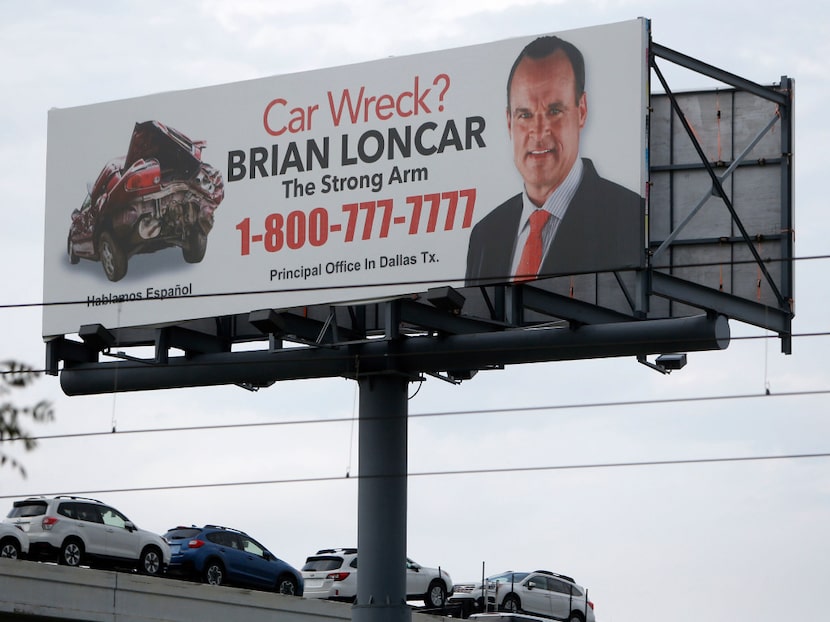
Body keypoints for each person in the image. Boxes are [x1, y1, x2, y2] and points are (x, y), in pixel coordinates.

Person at [465, 35, 643, 285]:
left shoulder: (629, 217)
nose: (539, 131)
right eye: (525, 114)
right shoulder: (485, 235)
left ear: (581, 111)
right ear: (508, 122)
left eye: (554, 111)